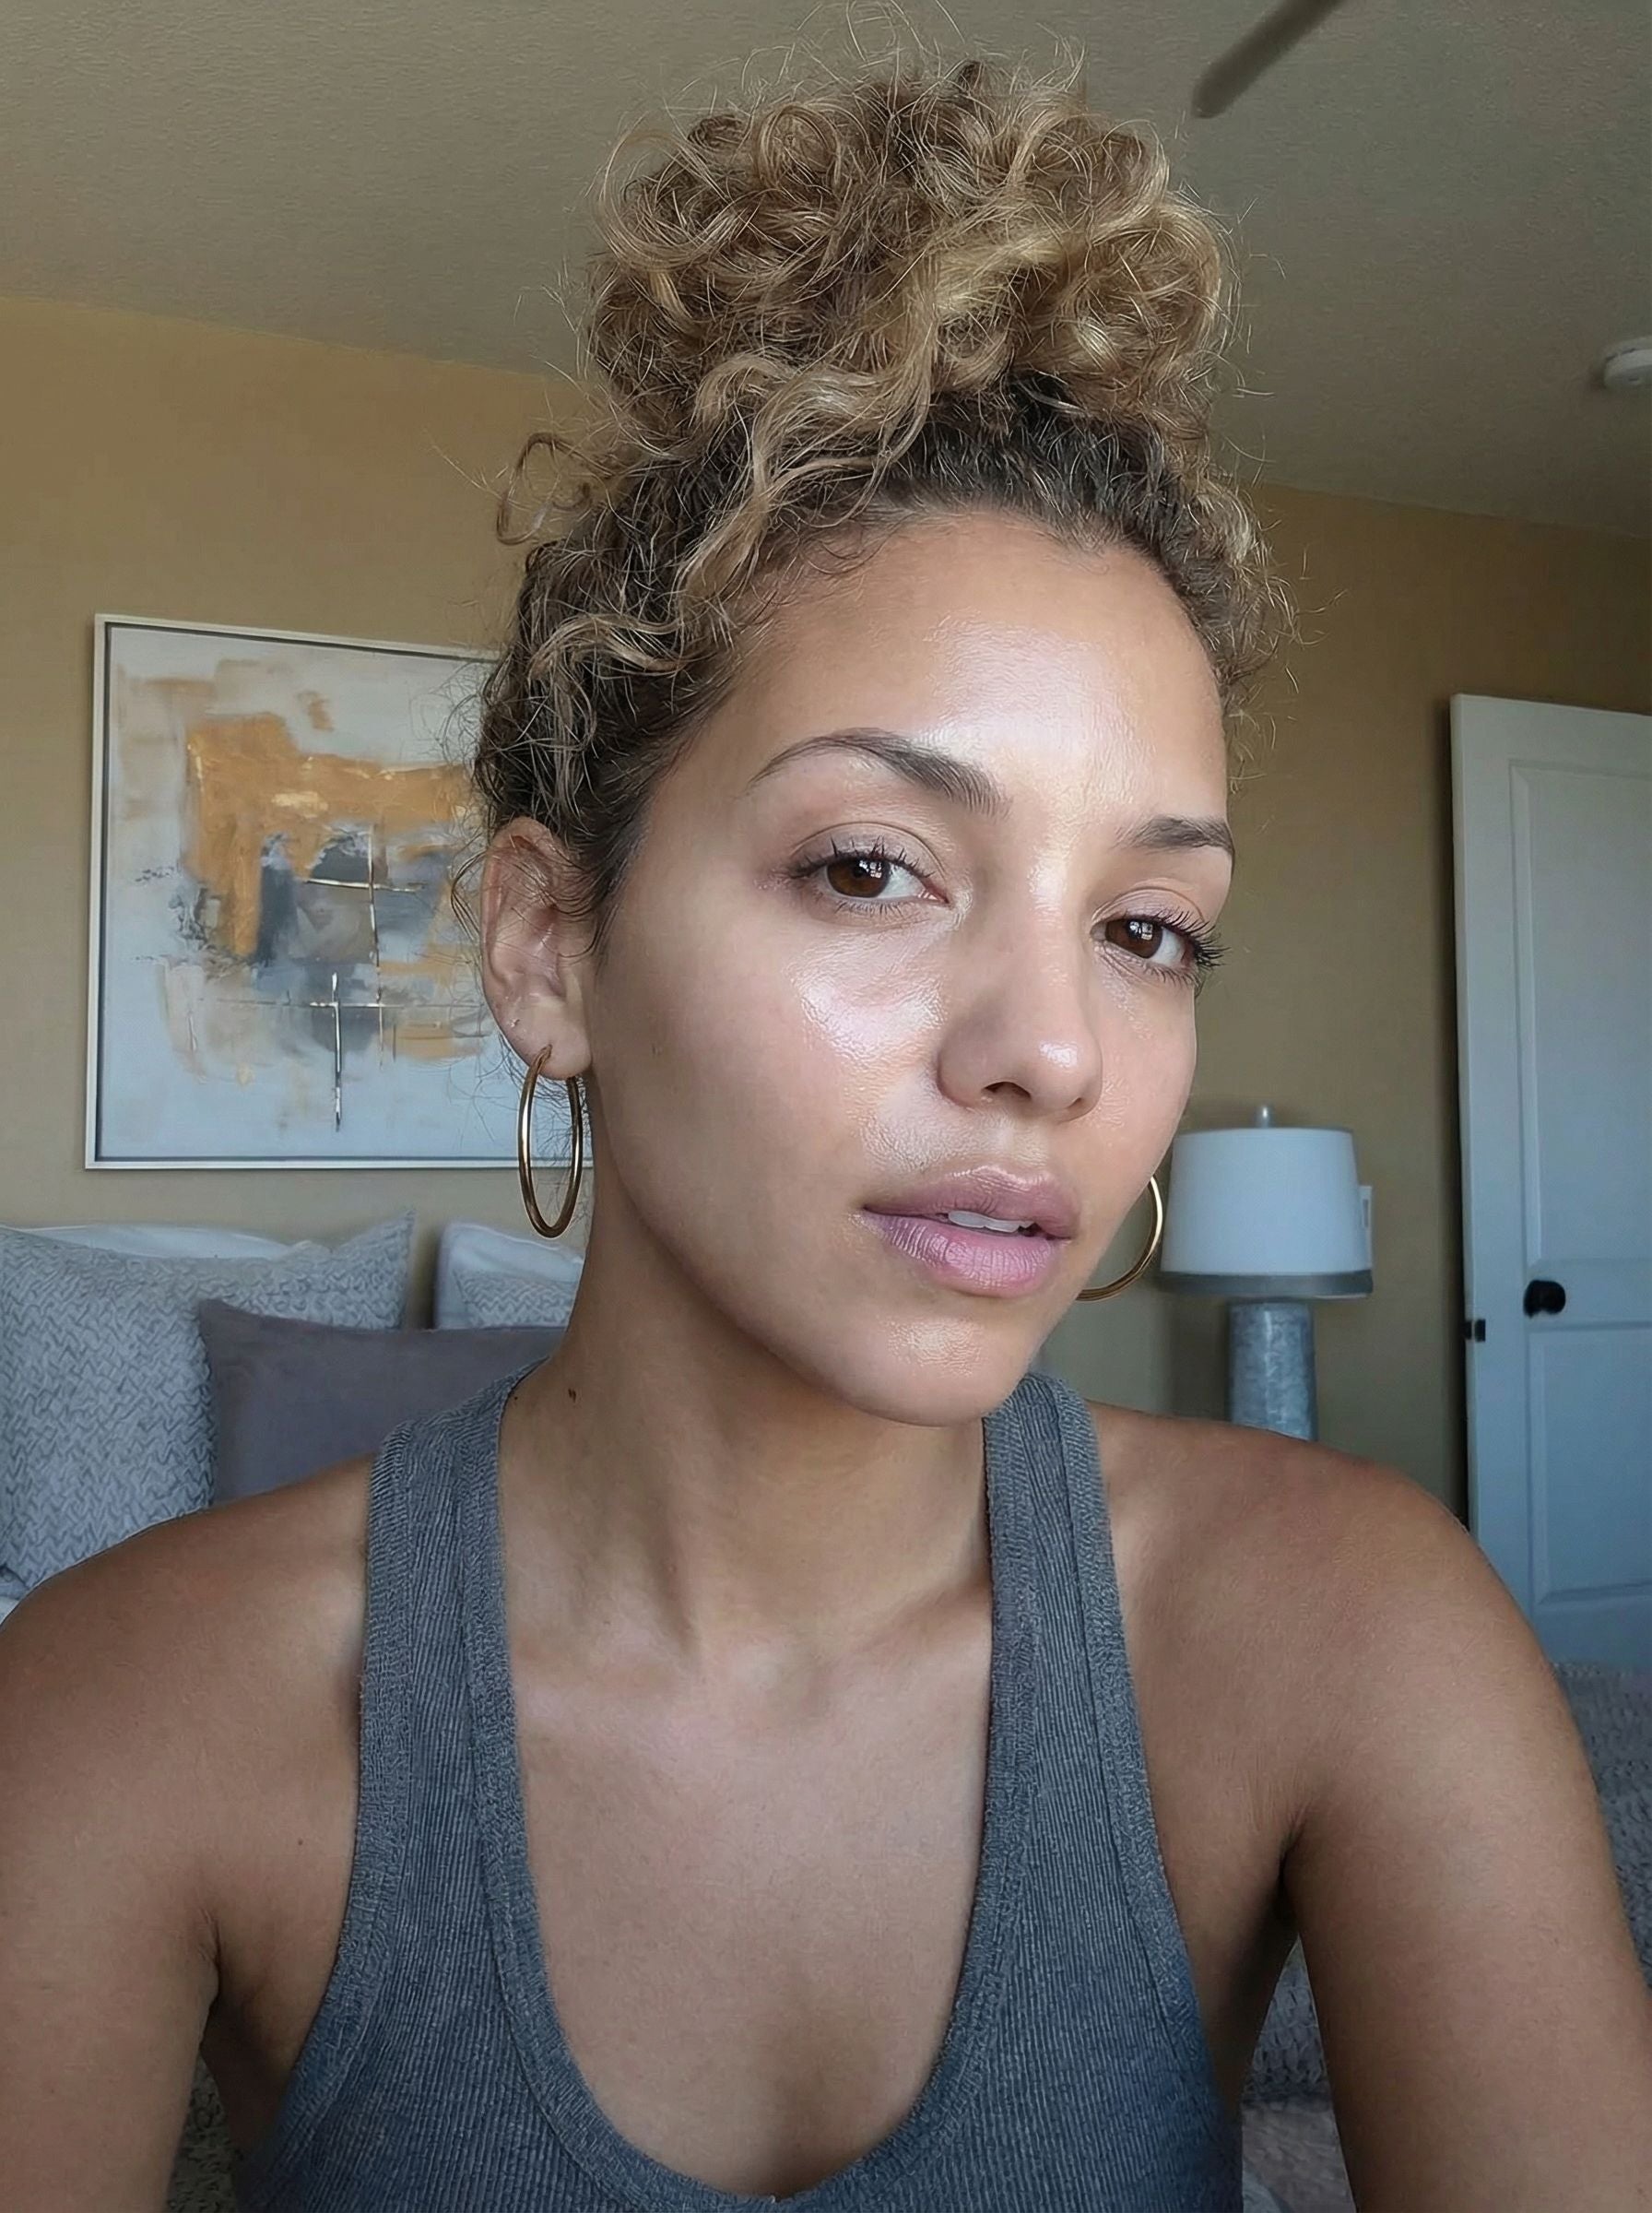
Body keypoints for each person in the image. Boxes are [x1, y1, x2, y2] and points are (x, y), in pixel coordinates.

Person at [3, 49, 1648, 2213]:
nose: (1048, 1051)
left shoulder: (1352, 1635)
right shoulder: (129, 1712)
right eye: (871, 868)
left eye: (1145, 926)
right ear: (548, 946)